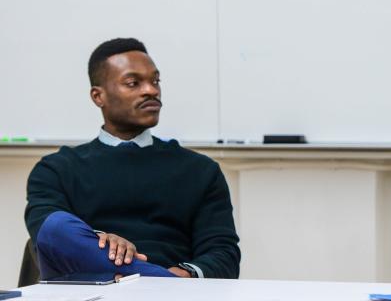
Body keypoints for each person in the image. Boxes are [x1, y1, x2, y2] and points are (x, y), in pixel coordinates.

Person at [25, 38, 240, 280]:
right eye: (133, 83)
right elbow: (49, 236)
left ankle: (155, 283)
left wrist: (183, 276)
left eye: (155, 81)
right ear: (98, 96)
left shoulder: (200, 170)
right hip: (91, 289)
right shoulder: (56, 169)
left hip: (176, 292)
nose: (151, 90)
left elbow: (223, 253)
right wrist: (99, 240)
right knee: (54, 227)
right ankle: (154, 281)